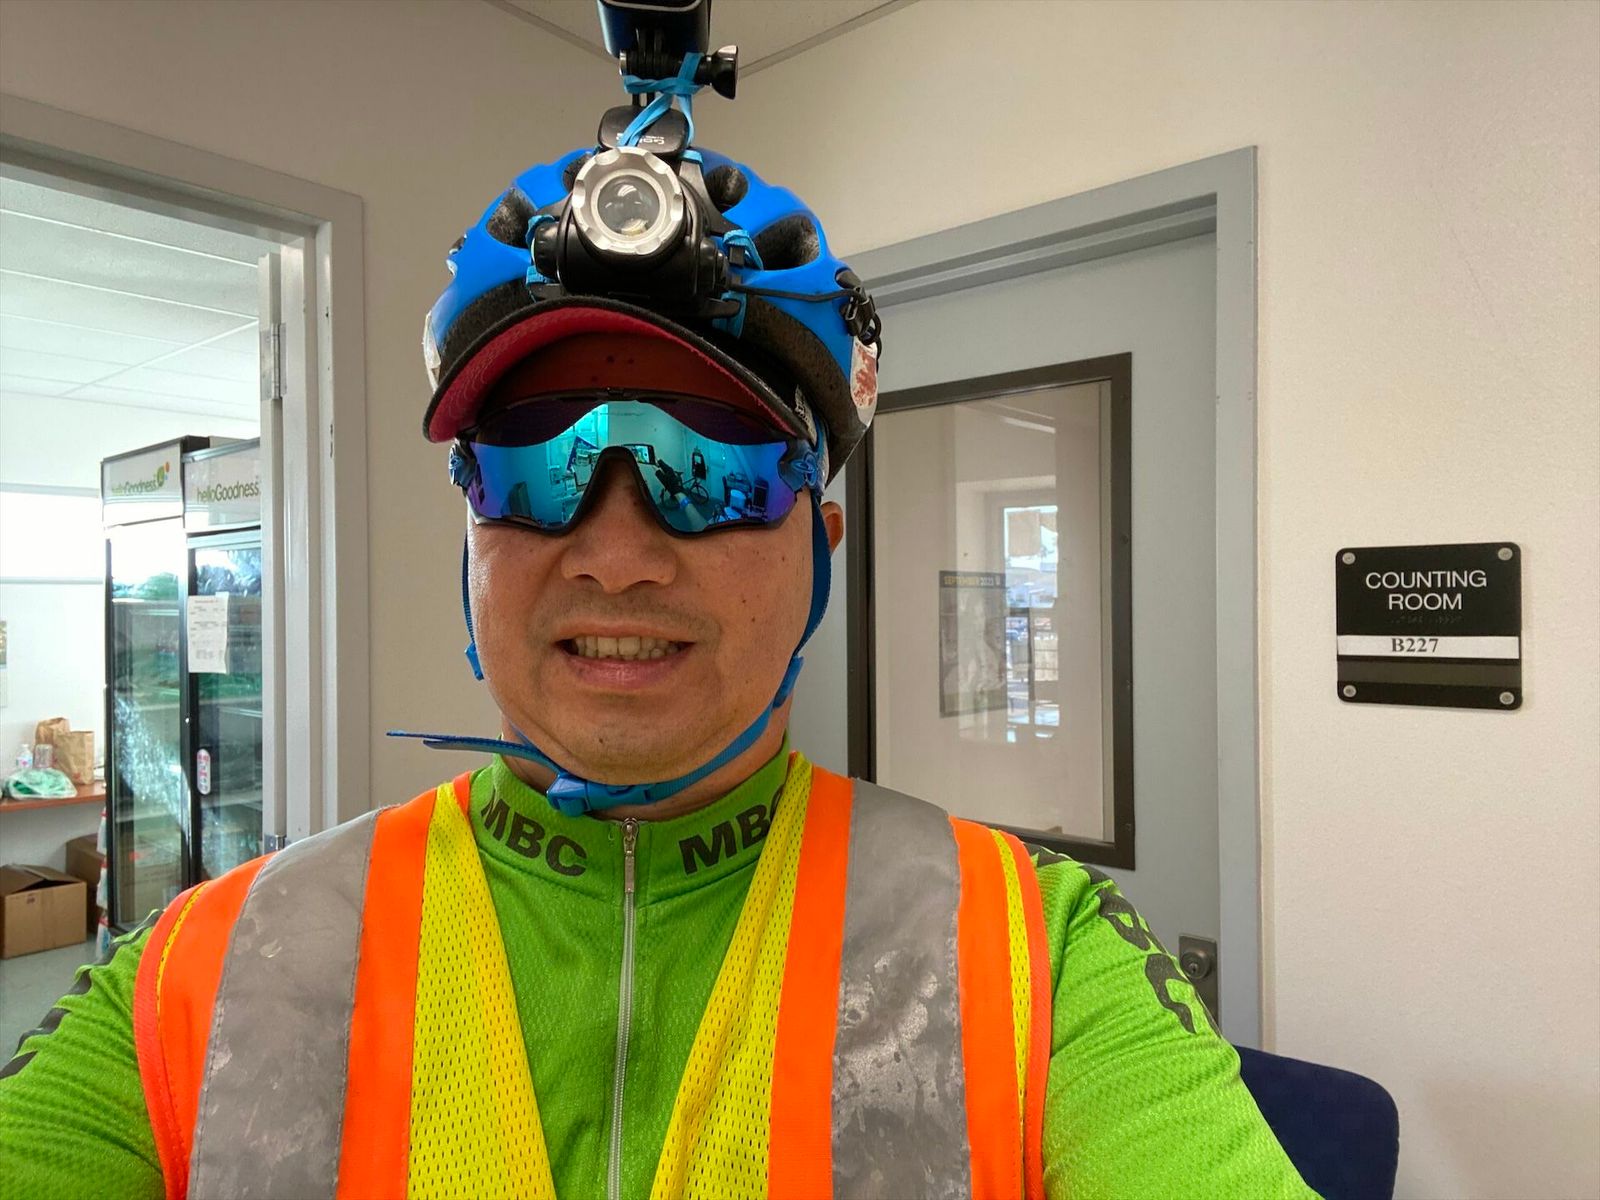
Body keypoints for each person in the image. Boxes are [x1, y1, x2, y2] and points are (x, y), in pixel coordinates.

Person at [0, 108, 1316, 1200]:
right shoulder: (200, 971)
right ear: (472, 535)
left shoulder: (1037, 953)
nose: (618, 554)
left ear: (822, 545)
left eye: (712, 466)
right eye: (539, 463)